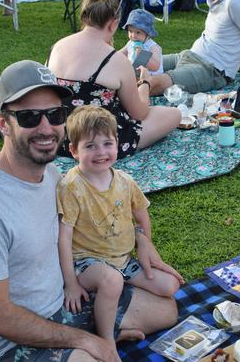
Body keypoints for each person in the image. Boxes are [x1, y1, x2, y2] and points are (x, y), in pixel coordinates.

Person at [0, 60, 178, 362]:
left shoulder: (52, 175)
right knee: (89, 358)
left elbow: (97, 219)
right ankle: (91, 344)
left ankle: (94, 340)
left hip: (67, 306)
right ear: (3, 122)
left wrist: (141, 236)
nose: (46, 128)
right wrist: (87, 341)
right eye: (29, 117)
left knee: (166, 309)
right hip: (10, 345)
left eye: (55, 114)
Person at [57, 105, 184, 351]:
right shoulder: (71, 186)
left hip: (123, 260)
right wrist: (70, 283)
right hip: (87, 262)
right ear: (73, 150)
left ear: (117, 143)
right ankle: (106, 342)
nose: (101, 152)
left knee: (170, 286)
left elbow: (141, 214)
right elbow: (64, 238)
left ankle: (118, 327)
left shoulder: (125, 181)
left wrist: (145, 241)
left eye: (107, 143)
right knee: (111, 280)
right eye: (90, 146)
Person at [47, 0, 180, 160]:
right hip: (100, 141)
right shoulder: (115, 59)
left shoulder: (57, 46)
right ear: (113, 23)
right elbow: (139, 113)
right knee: (174, 114)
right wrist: (145, 83)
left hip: (59, 136)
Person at [147, 0, 240, 95]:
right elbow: (236, 34)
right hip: (187, 55)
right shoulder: (213, 0)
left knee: (155, 82)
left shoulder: (235, 2)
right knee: (136, 61)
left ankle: (130, 99)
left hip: (210, 70)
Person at [121, 9, 163, 75]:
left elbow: (156, 67)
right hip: (135, 75)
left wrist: (143, 55)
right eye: (130, 31)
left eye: (138, 32)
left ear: (147, 33)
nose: (133, 35)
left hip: (151, 78)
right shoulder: (130, 43)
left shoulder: (153, 47)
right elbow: (120, 54)